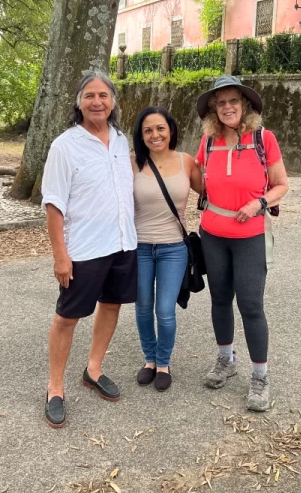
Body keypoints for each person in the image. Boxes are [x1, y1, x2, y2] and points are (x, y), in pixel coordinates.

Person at [40, 71, 137, 428]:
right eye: (90, 96)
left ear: (113, 102)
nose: (97, 101)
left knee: (111, 305)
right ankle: (54, 387)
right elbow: (53, 205)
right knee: (67, 318)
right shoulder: (64, 146)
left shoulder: (120, 139)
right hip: (83, 250)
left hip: (123, 243)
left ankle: (93, 370)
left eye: (104, 95)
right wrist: (60, 255)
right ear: (79, 103)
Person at [194, 75, 289, 412]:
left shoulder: (263, 139)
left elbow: (281, 184)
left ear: (245, 105)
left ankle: (260, 377)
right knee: (220, 299)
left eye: (233, 101)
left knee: (250, 305)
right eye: (220, 103)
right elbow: (193, 179)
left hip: (251, 236)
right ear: (212, 110)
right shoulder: (207, 143)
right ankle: (225, 359)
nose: (227, 107)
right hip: (213, 235)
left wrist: (259, 203)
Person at [132, 107, 202, 392]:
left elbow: (211, 191)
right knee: (143, 307)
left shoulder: (186, 162)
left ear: (171, 130)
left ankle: (163, 362)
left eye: (160, 128)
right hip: (139, 247)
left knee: (165, 310)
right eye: (147, 130)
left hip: (174, 247)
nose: (154, 134)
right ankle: (149, 360)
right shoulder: (133, 163)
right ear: (141, 135)